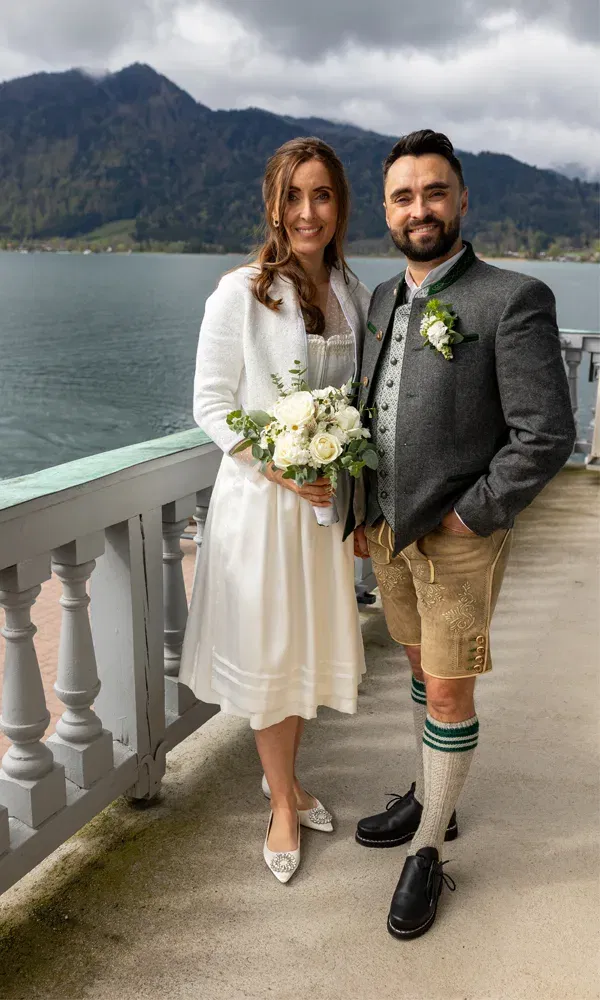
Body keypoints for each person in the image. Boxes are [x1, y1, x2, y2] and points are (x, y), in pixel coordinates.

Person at [347, 129, 575, 938]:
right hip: (388, 531)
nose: (420, 209)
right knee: (416, 665)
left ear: (462, 199)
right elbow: (369, 412)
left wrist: (470, 514)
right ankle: (428, 789)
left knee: (448, 687)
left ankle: (428, 852)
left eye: (434, 192)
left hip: (458, 536)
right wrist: (358, 513)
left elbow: (546, 433)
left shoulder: (512, 298)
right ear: (386, 210)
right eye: (404, 196)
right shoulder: (379, 299)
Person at [180, 137, 370, 883]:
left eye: (321, 195)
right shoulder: (242, 292)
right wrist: (283, 466)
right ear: (273, 205)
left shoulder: (352, 292)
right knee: (269, 655)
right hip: (263, 508)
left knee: (299, 655)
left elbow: (357, 403)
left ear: (339, 206)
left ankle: (285, 778)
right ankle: (283, 805)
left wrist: (346, 488)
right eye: (293, 197)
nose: (307, 212)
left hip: (321, 511)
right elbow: (210, 406)